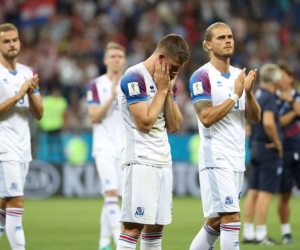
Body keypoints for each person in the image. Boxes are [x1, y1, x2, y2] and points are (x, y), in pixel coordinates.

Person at [188, 22, 261, 250]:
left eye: (230, 36)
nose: (228, 40)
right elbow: (206, 117)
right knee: (231, 218)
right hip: (215, 156)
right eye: (221, 38)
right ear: (208, 45)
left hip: (236, 157)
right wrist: (235, 94)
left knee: (218, 221)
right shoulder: (201, 76)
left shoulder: (240, 74)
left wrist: (248, 94)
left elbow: (255, 117)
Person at [116, 34, 190, 250]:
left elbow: (175, 125)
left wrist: (166, 90)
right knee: (133, 228)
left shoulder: (167, 82)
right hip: (140, 161)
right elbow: (145, 123)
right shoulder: (134, 77)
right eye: (174, 66)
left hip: (163, 162)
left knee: (156, 230)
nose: (176, 73)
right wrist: (163, 89)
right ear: (161, 57)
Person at [0, 23, 44, 250]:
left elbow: (39, 114)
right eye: (6, 41)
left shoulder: (28, 72)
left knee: (4, 205)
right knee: (16, 202)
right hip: (3, 147)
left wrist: (32, 92)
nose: (11, 44)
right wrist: (19, 94)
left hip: (22, 147)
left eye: (14, 40)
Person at [87, 42, 126, 250]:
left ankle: (103, 243)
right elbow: (93, 117)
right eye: (113, 56)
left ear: (124, 60)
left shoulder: (130, 84)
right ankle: (120, 241)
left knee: (114, 195)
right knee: (111, 192)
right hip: (103, 147)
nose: (116, 59)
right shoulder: (96, 85)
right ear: (105, 60)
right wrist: (112, 95)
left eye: (120, 56)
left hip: (124, 149)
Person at [242, 63, 283, 245]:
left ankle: (249, 232)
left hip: (255, 147)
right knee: (265, 193)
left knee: (253, 191)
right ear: (275, 79)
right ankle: (260, 234)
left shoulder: (257, 94)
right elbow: (268, 122)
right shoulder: (270, 97)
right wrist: (277, 143)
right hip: (267, 149)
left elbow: (249, 123)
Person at [275, 63, 300, 244]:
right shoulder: (272, 99)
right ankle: (286, 232)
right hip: (282, 151)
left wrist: (291, 103)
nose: (280, 80)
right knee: (284, 193)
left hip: (298, 148)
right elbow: (277, 123)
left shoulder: (296, 97)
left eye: (283, 76)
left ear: (291, 78)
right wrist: (293, 113)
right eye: (278, 77)